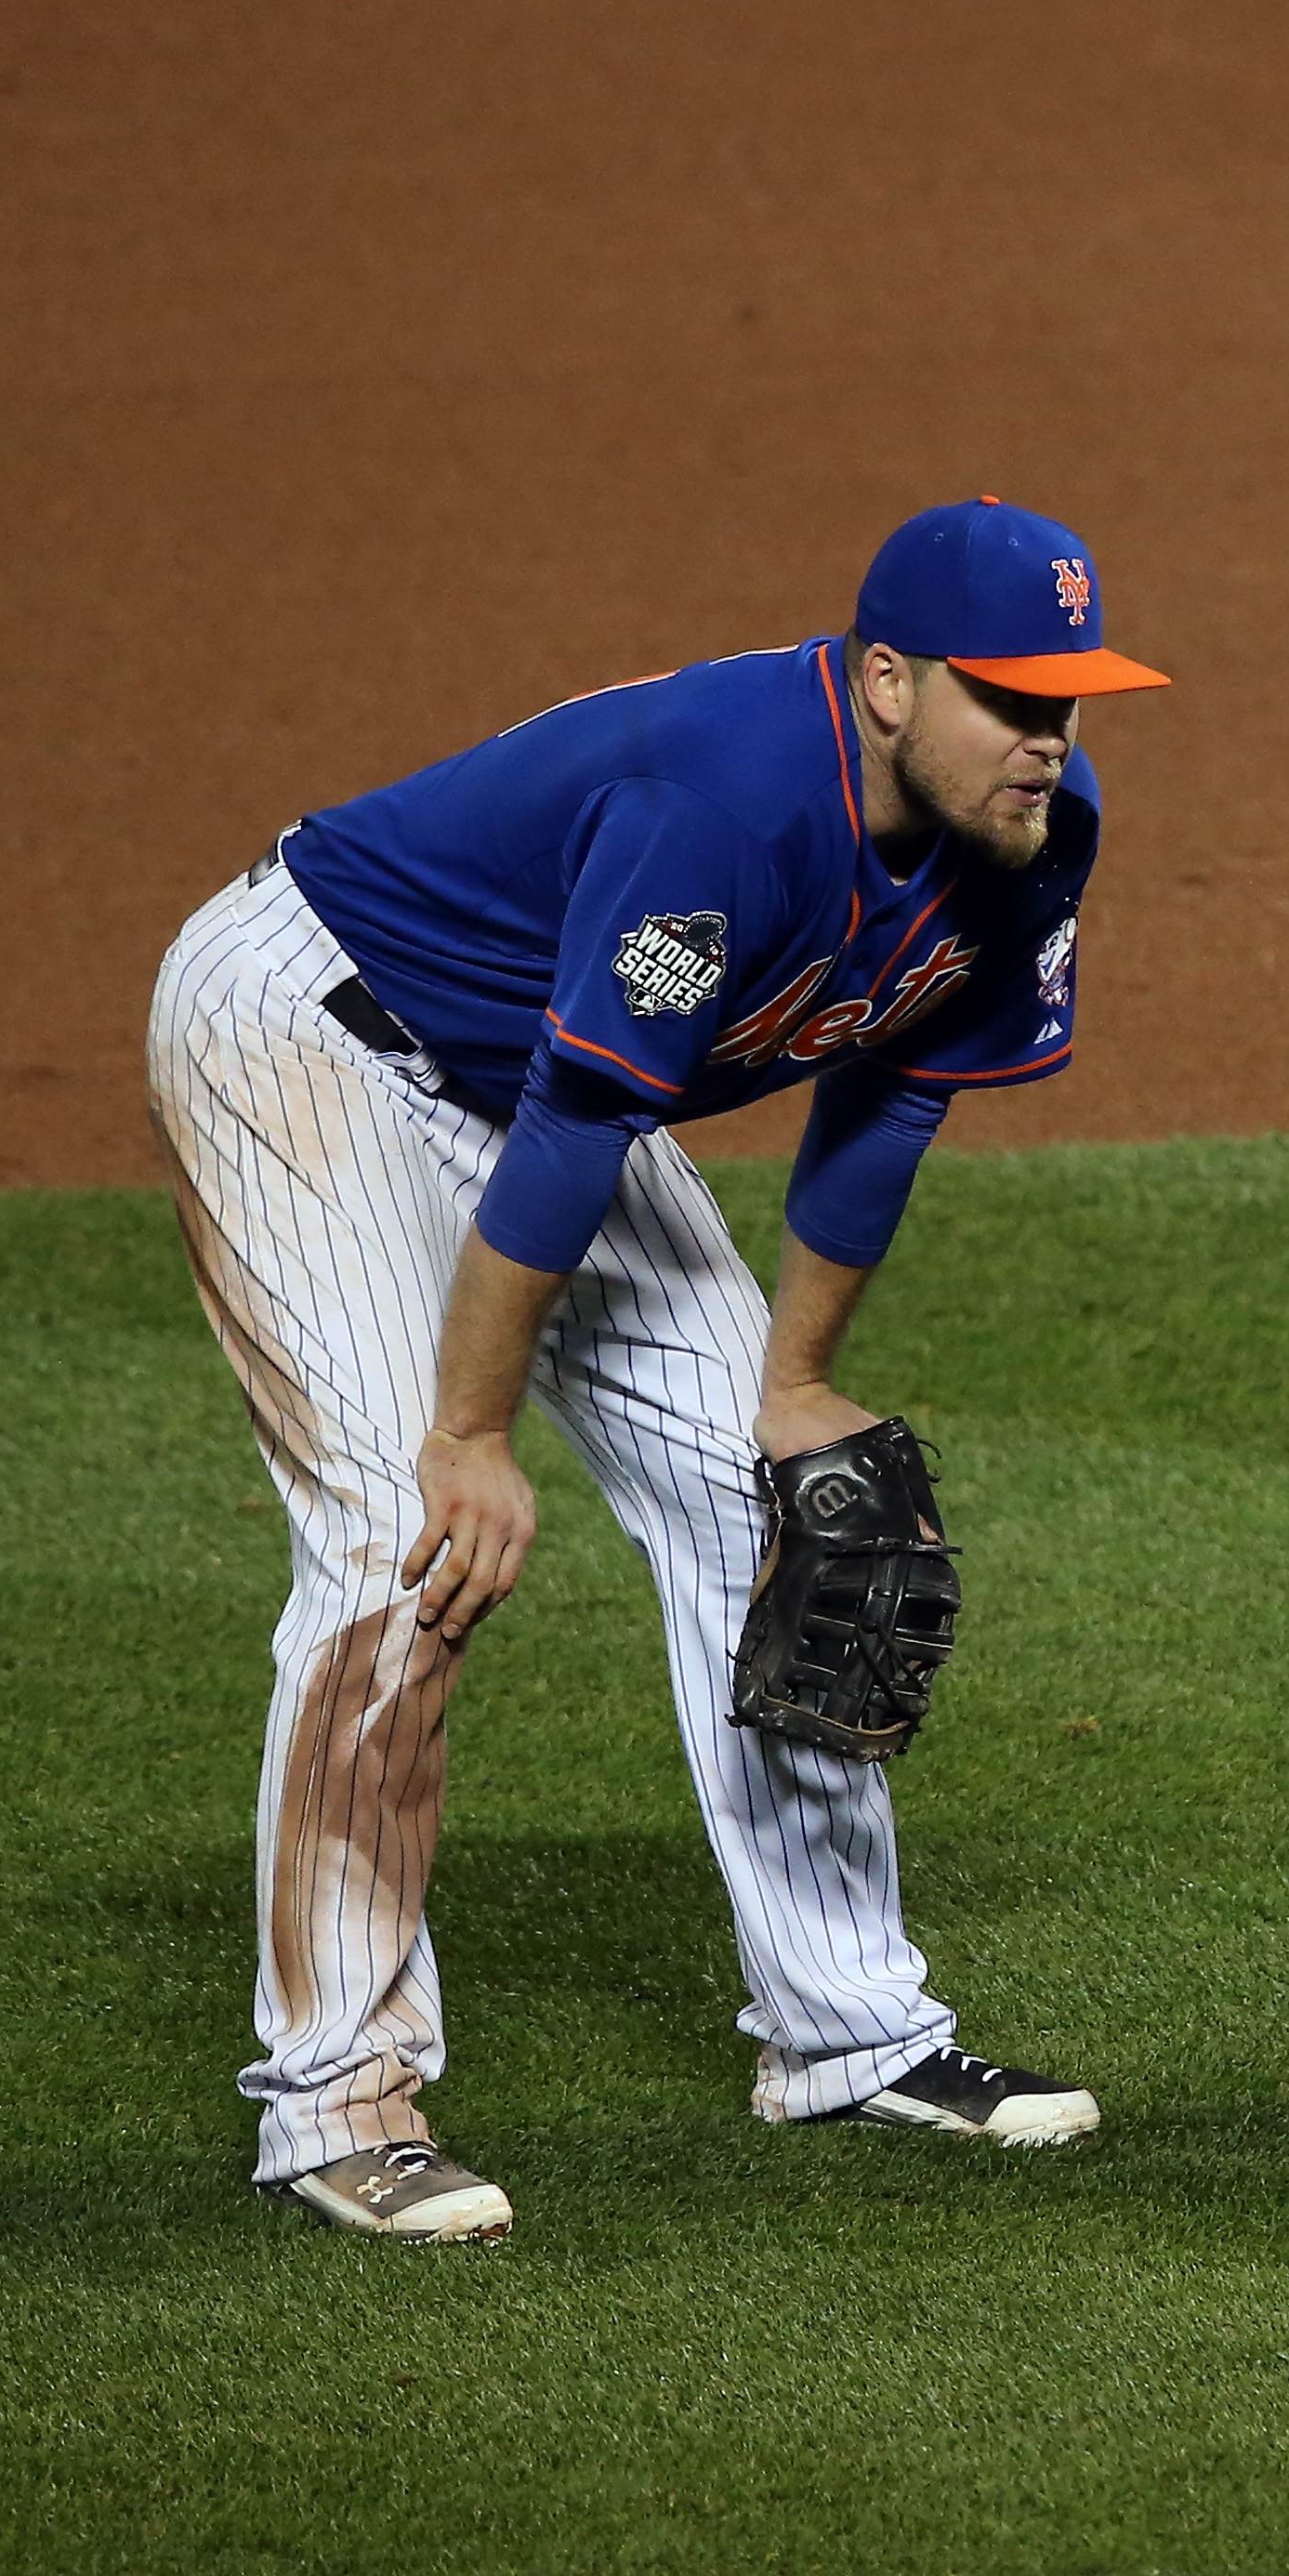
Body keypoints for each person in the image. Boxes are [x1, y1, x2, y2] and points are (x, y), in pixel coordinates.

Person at [146, 500, 1167, 2235]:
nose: (1049, 740)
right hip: (312, 1032)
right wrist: (467, 1432)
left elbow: (892, 1095)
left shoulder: (1031, 836)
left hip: (541, 1086)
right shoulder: (724, 810)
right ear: (890, 686)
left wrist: (789, 1387)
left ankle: (849, 2032)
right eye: (1012, 699)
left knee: (778, 1500)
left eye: (1070, 700)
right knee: (400, 1549)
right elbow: (586, 1112)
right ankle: (337, 2103)